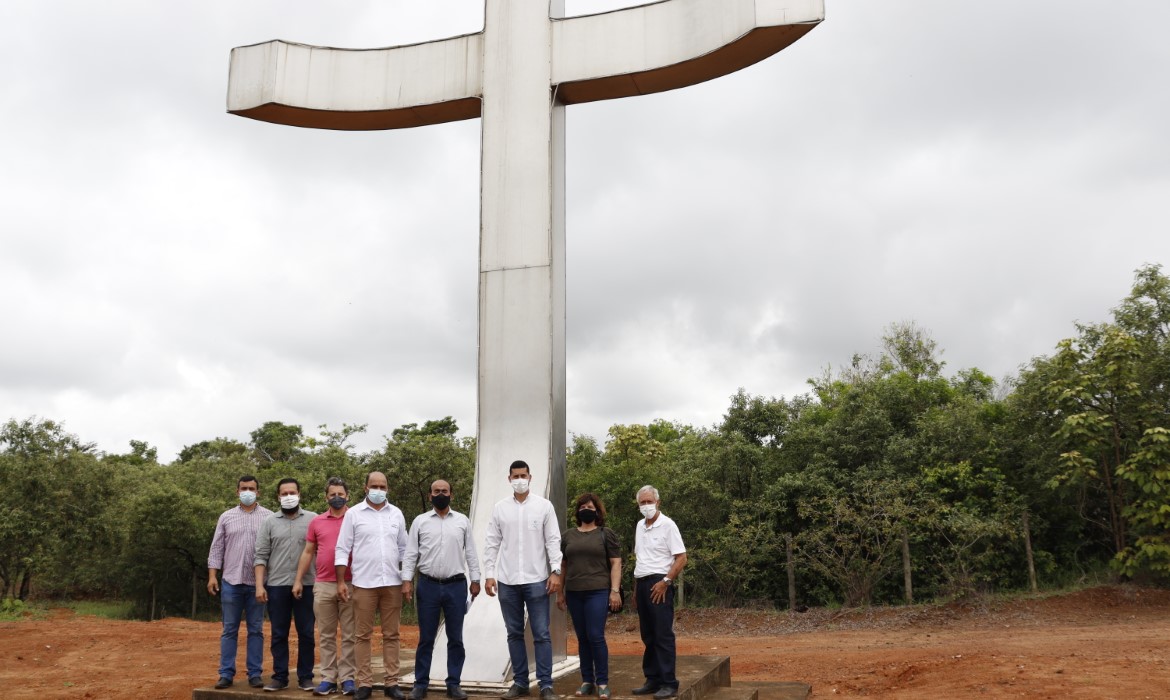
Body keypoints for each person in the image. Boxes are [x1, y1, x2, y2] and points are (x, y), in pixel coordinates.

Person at [482, 460, 563, 700]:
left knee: (541, 634)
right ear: (509, 479)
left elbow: (553, 540)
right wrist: (489, 574)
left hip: (537, 579)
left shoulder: (544, 506)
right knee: (514, 633)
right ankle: (520, 683)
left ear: (530, 477)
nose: (520, 480)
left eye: (523, 475)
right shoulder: (500, 508)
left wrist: (556, 571)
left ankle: (546, 685)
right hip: (507, 581)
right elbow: (492, 542)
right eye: (515, 476)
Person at [401, 480, 482, 700]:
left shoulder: (462, 521)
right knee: (426, 638)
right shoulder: (420, 522)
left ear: (451, 495)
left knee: (455, 638)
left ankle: (453, 684)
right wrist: (406, 580)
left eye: (444, 491)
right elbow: (411, 554)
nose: (440, 494)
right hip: (427, 585)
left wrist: (475, 579)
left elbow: (471, 553)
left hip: (456, 586)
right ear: (430, 496)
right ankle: (421, 684)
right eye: (436, 491)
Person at [336, 471, 409, 700]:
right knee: (362, 635)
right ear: (365, 487)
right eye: (374, 486)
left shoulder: (396, 514)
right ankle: (365, 683)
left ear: (387, 488)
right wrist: (341, 581)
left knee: (392, 634)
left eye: (382, 486)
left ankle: (392, 682)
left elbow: (405, 549)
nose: (378, 490)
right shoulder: (353, 514)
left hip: (392, 583)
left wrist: (407, 579)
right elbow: (342, 548)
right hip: (364, 583)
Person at [208, 475, 273, 690]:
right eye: (244, 488)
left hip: (258, 583)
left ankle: (254, 673)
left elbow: (273, 549)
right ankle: (226, 673)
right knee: (229, 629)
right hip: (231, 581)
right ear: (237, 491)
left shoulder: (269, 517)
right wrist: (212, 576)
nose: (247, 492)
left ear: (258, 492)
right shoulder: (226, 517)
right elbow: (217, 548)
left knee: (256, 629)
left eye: (251, 488)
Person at [294, 477, 358, 696]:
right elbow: (308, 552)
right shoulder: (317, 522)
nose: (337, 498)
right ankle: (328, 678)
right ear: (326, 497)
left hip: (351, 583)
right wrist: (298, 579)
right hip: (323, 584)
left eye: (341, 494)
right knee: (326, 635)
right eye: (333, 494)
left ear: (348, 496)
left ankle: (348, 678)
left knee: (349, 634)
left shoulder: (356, 518)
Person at [557, 493, 622, 700]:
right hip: (574, 592)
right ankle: (587, 681)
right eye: (583, 507)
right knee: (582, 637)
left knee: (595, 635)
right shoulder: (568, 536)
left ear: (597, 511)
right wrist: (560, 592)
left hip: (598, 591)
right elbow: (563, 565)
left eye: (591, 507)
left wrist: (614, 591)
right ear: (578, 511)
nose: (586, 510)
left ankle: (602, 682)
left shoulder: (605, 534)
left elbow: (616, 563)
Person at [255, 477, 318, 692]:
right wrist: (259, 585)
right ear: (278, 497)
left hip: (307, 584)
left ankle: (306, 677)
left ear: (299, 494)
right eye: (284, 493)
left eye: (292, 493)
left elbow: (321, 550)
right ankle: (280, 677)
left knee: (306, 632)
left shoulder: (313, 519)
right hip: (277, 585)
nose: (289, 496)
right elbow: (260, 555)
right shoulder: (269, 522)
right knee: (279, 633)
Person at [630, 486, 687, 700]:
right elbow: (640, 559)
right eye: (642, 503)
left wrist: (666, 581)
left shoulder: (668, 525)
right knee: (648, 635)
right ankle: (652, 679)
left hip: (659, 583)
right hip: (642, 582)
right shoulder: (639, 526)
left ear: (658, 502)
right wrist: (636, 589)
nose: (646, 506)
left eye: (649, 501)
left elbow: (681, 558)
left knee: (662, 634)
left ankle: (669, 682)